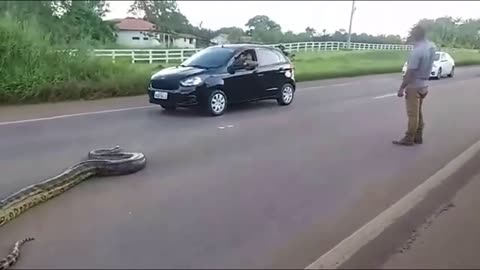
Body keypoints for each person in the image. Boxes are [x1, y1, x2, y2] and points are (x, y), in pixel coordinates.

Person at [392, 25, 436, 146]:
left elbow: (410, 72)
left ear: (415, 35)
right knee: (418, 112)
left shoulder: (417, 51)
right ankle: (418, 135)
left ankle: (409, 137)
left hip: (414, 85)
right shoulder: (431, 46)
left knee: (413, 114)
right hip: (425, 84)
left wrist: (402, 88)